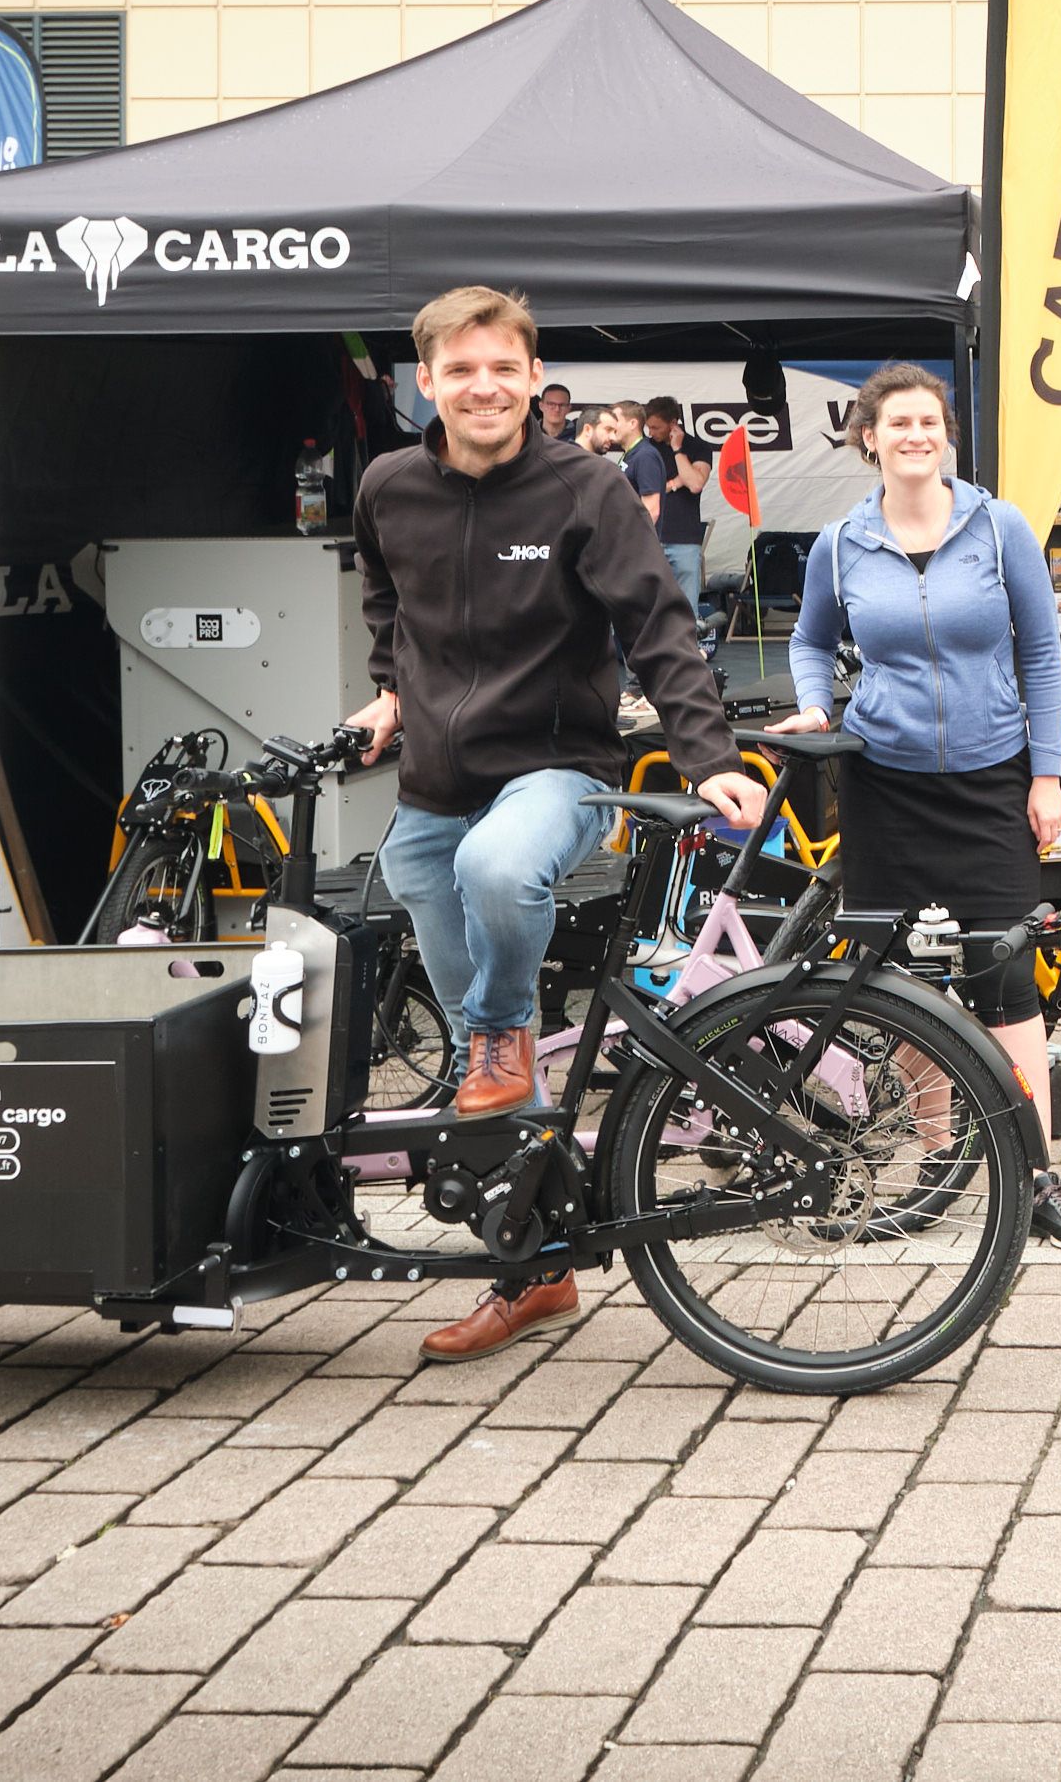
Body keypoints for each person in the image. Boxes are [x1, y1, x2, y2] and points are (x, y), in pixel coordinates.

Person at [346, 287, 763, 1364]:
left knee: (497, 891)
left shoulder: (584, 489)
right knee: (429, 900)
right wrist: (390, 691)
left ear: (535, 381)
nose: (483, 385)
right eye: (460, 368)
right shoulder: (389, 485)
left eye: (504, 367)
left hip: (558, 767)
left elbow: (658, 625)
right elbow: (385, 599)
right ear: (425, 381)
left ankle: (498, 1035)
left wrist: (711, 758)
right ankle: (533, 1268)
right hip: (434, 779)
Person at [774, 363, 1061, 1250]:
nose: (916, 435)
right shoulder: (840, 544)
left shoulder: (999, 529)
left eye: (929, 422)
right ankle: (933, 1161)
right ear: (868, 437)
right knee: (905, 982)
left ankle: (1034, 1173)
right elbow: (810, 638)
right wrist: (814, 701)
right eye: (898, 423)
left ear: (944, 434)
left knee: (1005, 976)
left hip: (992, 778)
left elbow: (1040, 654)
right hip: (884, 782)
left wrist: (1044, 774)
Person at [626, 396, 712, 633]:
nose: (651, 432)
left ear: (673, 423)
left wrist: (677, 449)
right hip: (648, 536)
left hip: (684, 537)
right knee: (646, 606)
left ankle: (686, 661)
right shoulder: (642, 450)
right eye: (648, 427)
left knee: (686, 611)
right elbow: (634, 491)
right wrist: (675, 482)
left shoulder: (697, 447)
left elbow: (695, 483)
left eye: (656, 427)